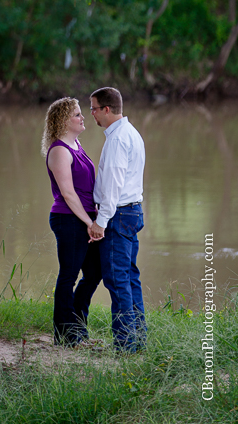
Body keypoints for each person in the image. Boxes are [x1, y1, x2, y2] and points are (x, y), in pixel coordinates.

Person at [88, 86, 146, 352]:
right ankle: (138, 339)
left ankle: (125, 346)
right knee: (130, 277)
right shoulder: (130, 132)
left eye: (94, 109)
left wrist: (100, 222)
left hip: (118, 214)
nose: (91, 114)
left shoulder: (117, 139)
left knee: (117, 279)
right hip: (132, 211)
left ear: (107, 109)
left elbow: (113, 185)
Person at [42, 96, 102, 346]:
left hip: (86, 218)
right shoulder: (59, 151)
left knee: (95, 272)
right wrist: (89, 222)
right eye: (77, 114)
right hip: (69, 219)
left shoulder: (76, 145)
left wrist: (95, 217)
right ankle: (65, 336)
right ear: (63, 120)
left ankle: (77, 326)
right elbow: (68, 193)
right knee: (69, 276)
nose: (82, 117)